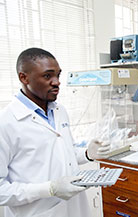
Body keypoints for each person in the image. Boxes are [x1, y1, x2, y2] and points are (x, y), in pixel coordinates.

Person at [0, 48, 111, 217]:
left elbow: (63, 152)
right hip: (38, 212)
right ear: (24, 77)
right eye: (47, 76)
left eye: (58, 75)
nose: (56, 82)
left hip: (75, 209)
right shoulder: (6, 122)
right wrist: (49, 189)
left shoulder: (59, 110)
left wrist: (87, 154)